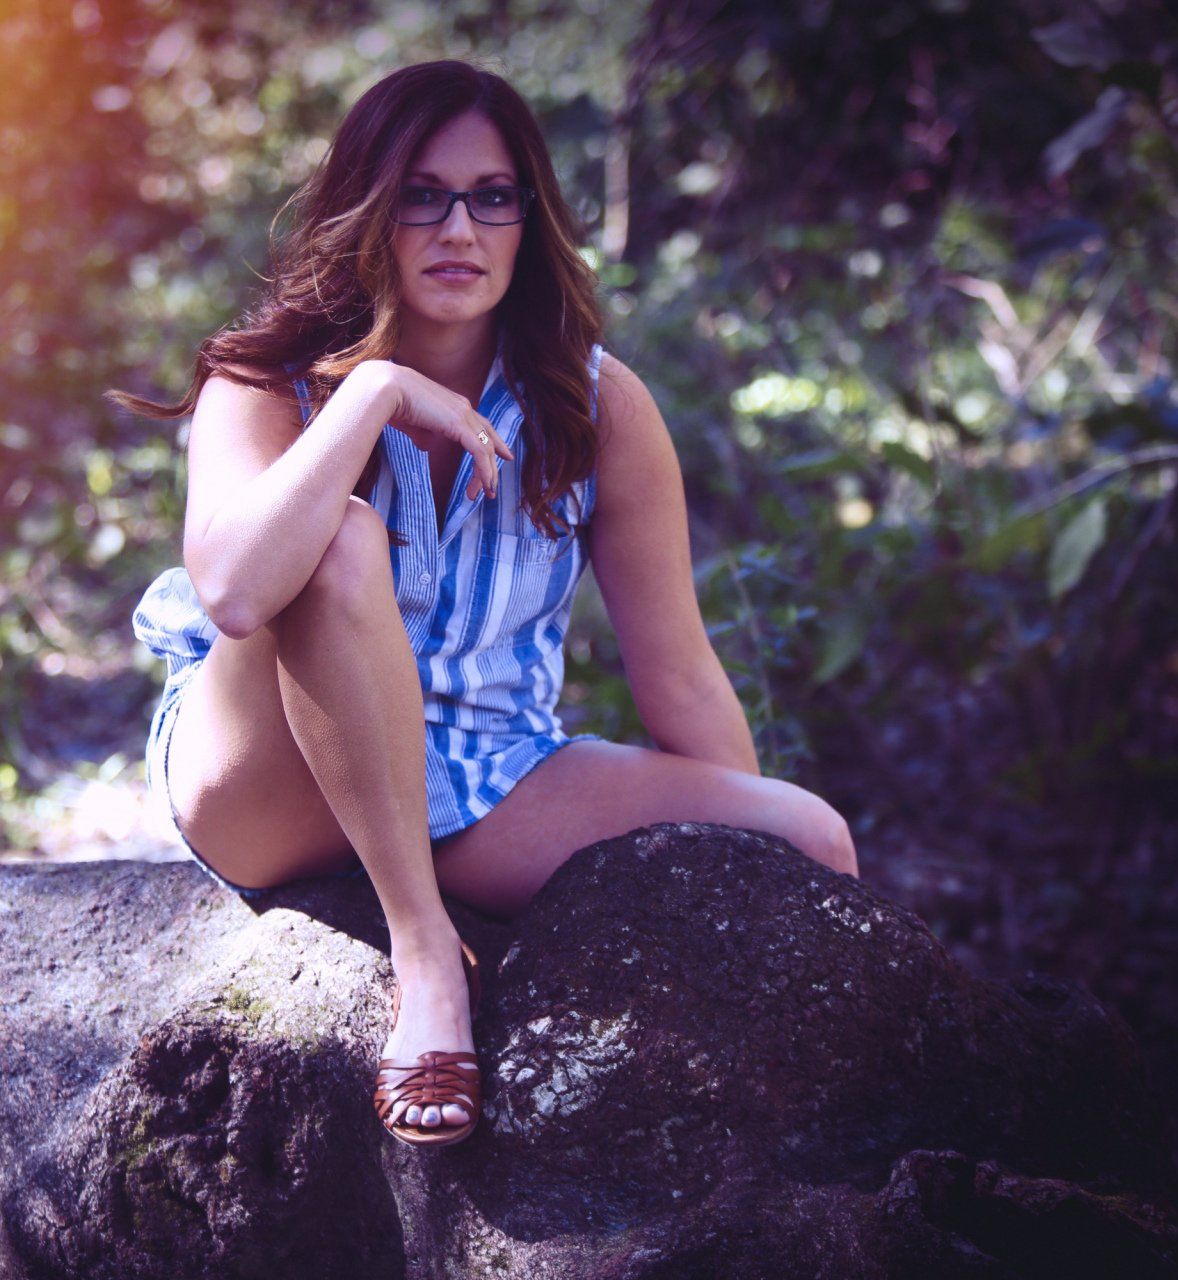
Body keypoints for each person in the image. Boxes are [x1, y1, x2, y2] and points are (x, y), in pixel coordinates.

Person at [109, 60, 859, 1148]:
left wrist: (729, 874)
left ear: (528, 218)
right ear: (370, 212)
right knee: (338, 540)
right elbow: (232, 590)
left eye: (492, 196)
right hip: (270, 780)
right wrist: (371, 397)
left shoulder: (594, 408)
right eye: (422, 195)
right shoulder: (268, 382)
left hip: (484, 774)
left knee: (808, 839)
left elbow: (682, 673)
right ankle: (426, 957)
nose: (459, 227)